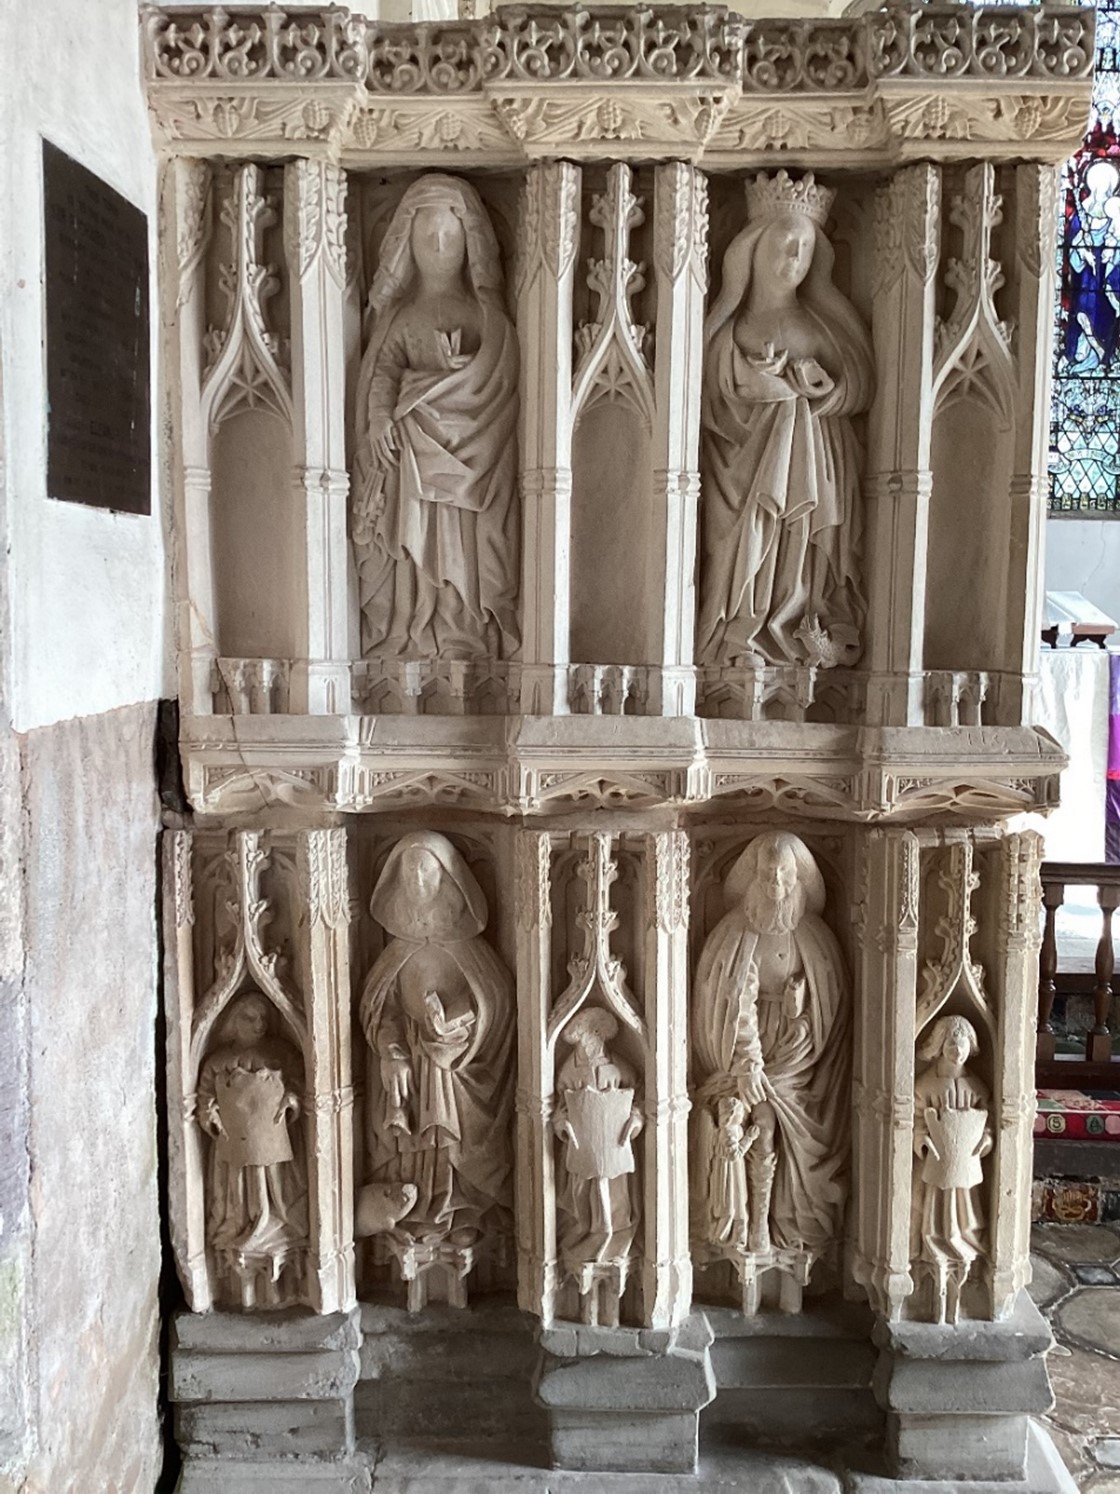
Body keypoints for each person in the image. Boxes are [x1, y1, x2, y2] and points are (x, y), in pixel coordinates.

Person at [698, 171, 874, 670]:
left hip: (808, 474)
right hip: (740, 472)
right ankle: (738, 632)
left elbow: (858, 386)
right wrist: (758, 388)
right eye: (783, 244)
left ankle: (798, 626)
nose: (793, 260)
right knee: (746, 546)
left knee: (796, 554)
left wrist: (822, 390)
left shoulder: (820, 327)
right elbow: (707, 400)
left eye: (804, 249)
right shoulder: (727, 329)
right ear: (750, 251)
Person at [351, 174, 519, 661]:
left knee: (461, 548)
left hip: (472, 459)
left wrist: (465, 377)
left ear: (471, 244)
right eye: (428, 238)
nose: (440, 246)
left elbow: (502, 377)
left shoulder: (485, 313)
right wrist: (383, 417)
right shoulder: (402, 318)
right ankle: (412, 630)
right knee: (415, 547)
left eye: (449, 237)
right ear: (410, 244)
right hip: (412, 461)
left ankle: (462, 629)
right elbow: (382, 372)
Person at [692, 831, 850, 1264]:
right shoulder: (735, 934)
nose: (775, 881)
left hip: (799, 1056)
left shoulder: (815, 938)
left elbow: (832, 1012)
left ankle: (782, 1225)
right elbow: (728, 1000)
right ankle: (741, 1226)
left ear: (798, 877)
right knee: (751, 1116)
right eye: (767, 873)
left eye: (783, 872)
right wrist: (747, 1060)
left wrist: (802, 1011)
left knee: (778, 1119)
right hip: (744, 1053)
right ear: (754, 876)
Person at [359, 832, 514, 1246]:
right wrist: (393, 1052)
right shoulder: (397, 950)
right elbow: (380, 1009)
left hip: (457, 1065)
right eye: (407, 873)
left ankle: (460, 1214)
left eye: (425, 871)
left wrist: (458, 1031)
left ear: (448, 879)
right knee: (410, 1137)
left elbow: (495, 1006)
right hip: (409, 1061)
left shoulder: (470, 950)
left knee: (453, 1138)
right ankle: (409, 1212)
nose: (417, 881)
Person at [197, 991, 308, 1307]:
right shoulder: (218, 1062)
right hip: (237, 1147)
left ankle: (277, 1226)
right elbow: (205, 1097)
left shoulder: (281, 1054)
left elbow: (299, 1083)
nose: (258, 1025)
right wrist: (211, 1115)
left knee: (276, 1187)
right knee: (241, 1192)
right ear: (233, 1021)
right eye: (249, 1018)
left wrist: (292, 1100)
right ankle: (243, 1228)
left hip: (273, 1140)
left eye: (263, 1018)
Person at [912, 1014, 992, 1324]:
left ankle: (966, 1264)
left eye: (961, 1043)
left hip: (965, 1173)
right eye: (950, 1042)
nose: (956, 1049)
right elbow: (918, 1120)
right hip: (937, 1171)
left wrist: (985, 1142)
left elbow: (987, 1123)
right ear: (939, 1045)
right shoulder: (926, 1084)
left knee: (965, 1216)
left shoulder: (975, 1086)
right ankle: (934, 1262)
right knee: (935, 1218)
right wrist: (922, 1141)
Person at [553, 1008, 643, 1264]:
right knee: (581, 1199)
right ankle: (582, 1241)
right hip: (582, 1151)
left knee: (616, 1200)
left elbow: (638, 1100)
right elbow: (558, 1108)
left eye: (593, 1036)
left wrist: (635, 1122)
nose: (589, 1044)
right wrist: (563, 1127)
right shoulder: (568, 1072)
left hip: (614, 1148)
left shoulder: (620, 1069)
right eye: (582, 1038)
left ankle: (616, 1244)